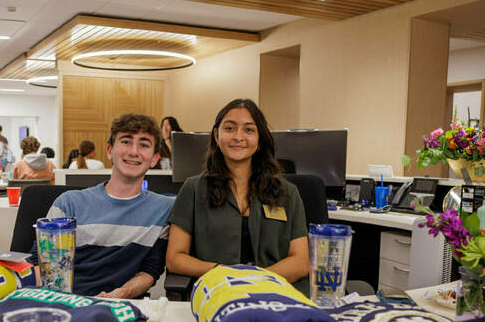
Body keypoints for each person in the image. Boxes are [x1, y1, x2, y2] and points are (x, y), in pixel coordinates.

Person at [165, 99, 310, 294]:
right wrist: (222, 272)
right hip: (218, 292)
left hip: (277, 293)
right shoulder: (193, 189)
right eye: (230, 128)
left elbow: (300, 261)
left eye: (249, 130)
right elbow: (175, 258)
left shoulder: (287, 192)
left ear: (260, 140)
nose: (238, 136)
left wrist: (256, 280)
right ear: (217, 136)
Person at [31, 114, 173, 298]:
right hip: (65, 302)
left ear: (154, 159)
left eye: (144, 144)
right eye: (126, 141)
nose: (134, 151)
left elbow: (150, 270)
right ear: (109, 151)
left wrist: (120, 294)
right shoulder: (69, 203)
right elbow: (42, 265)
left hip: (120, 305)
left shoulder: (163, 210)